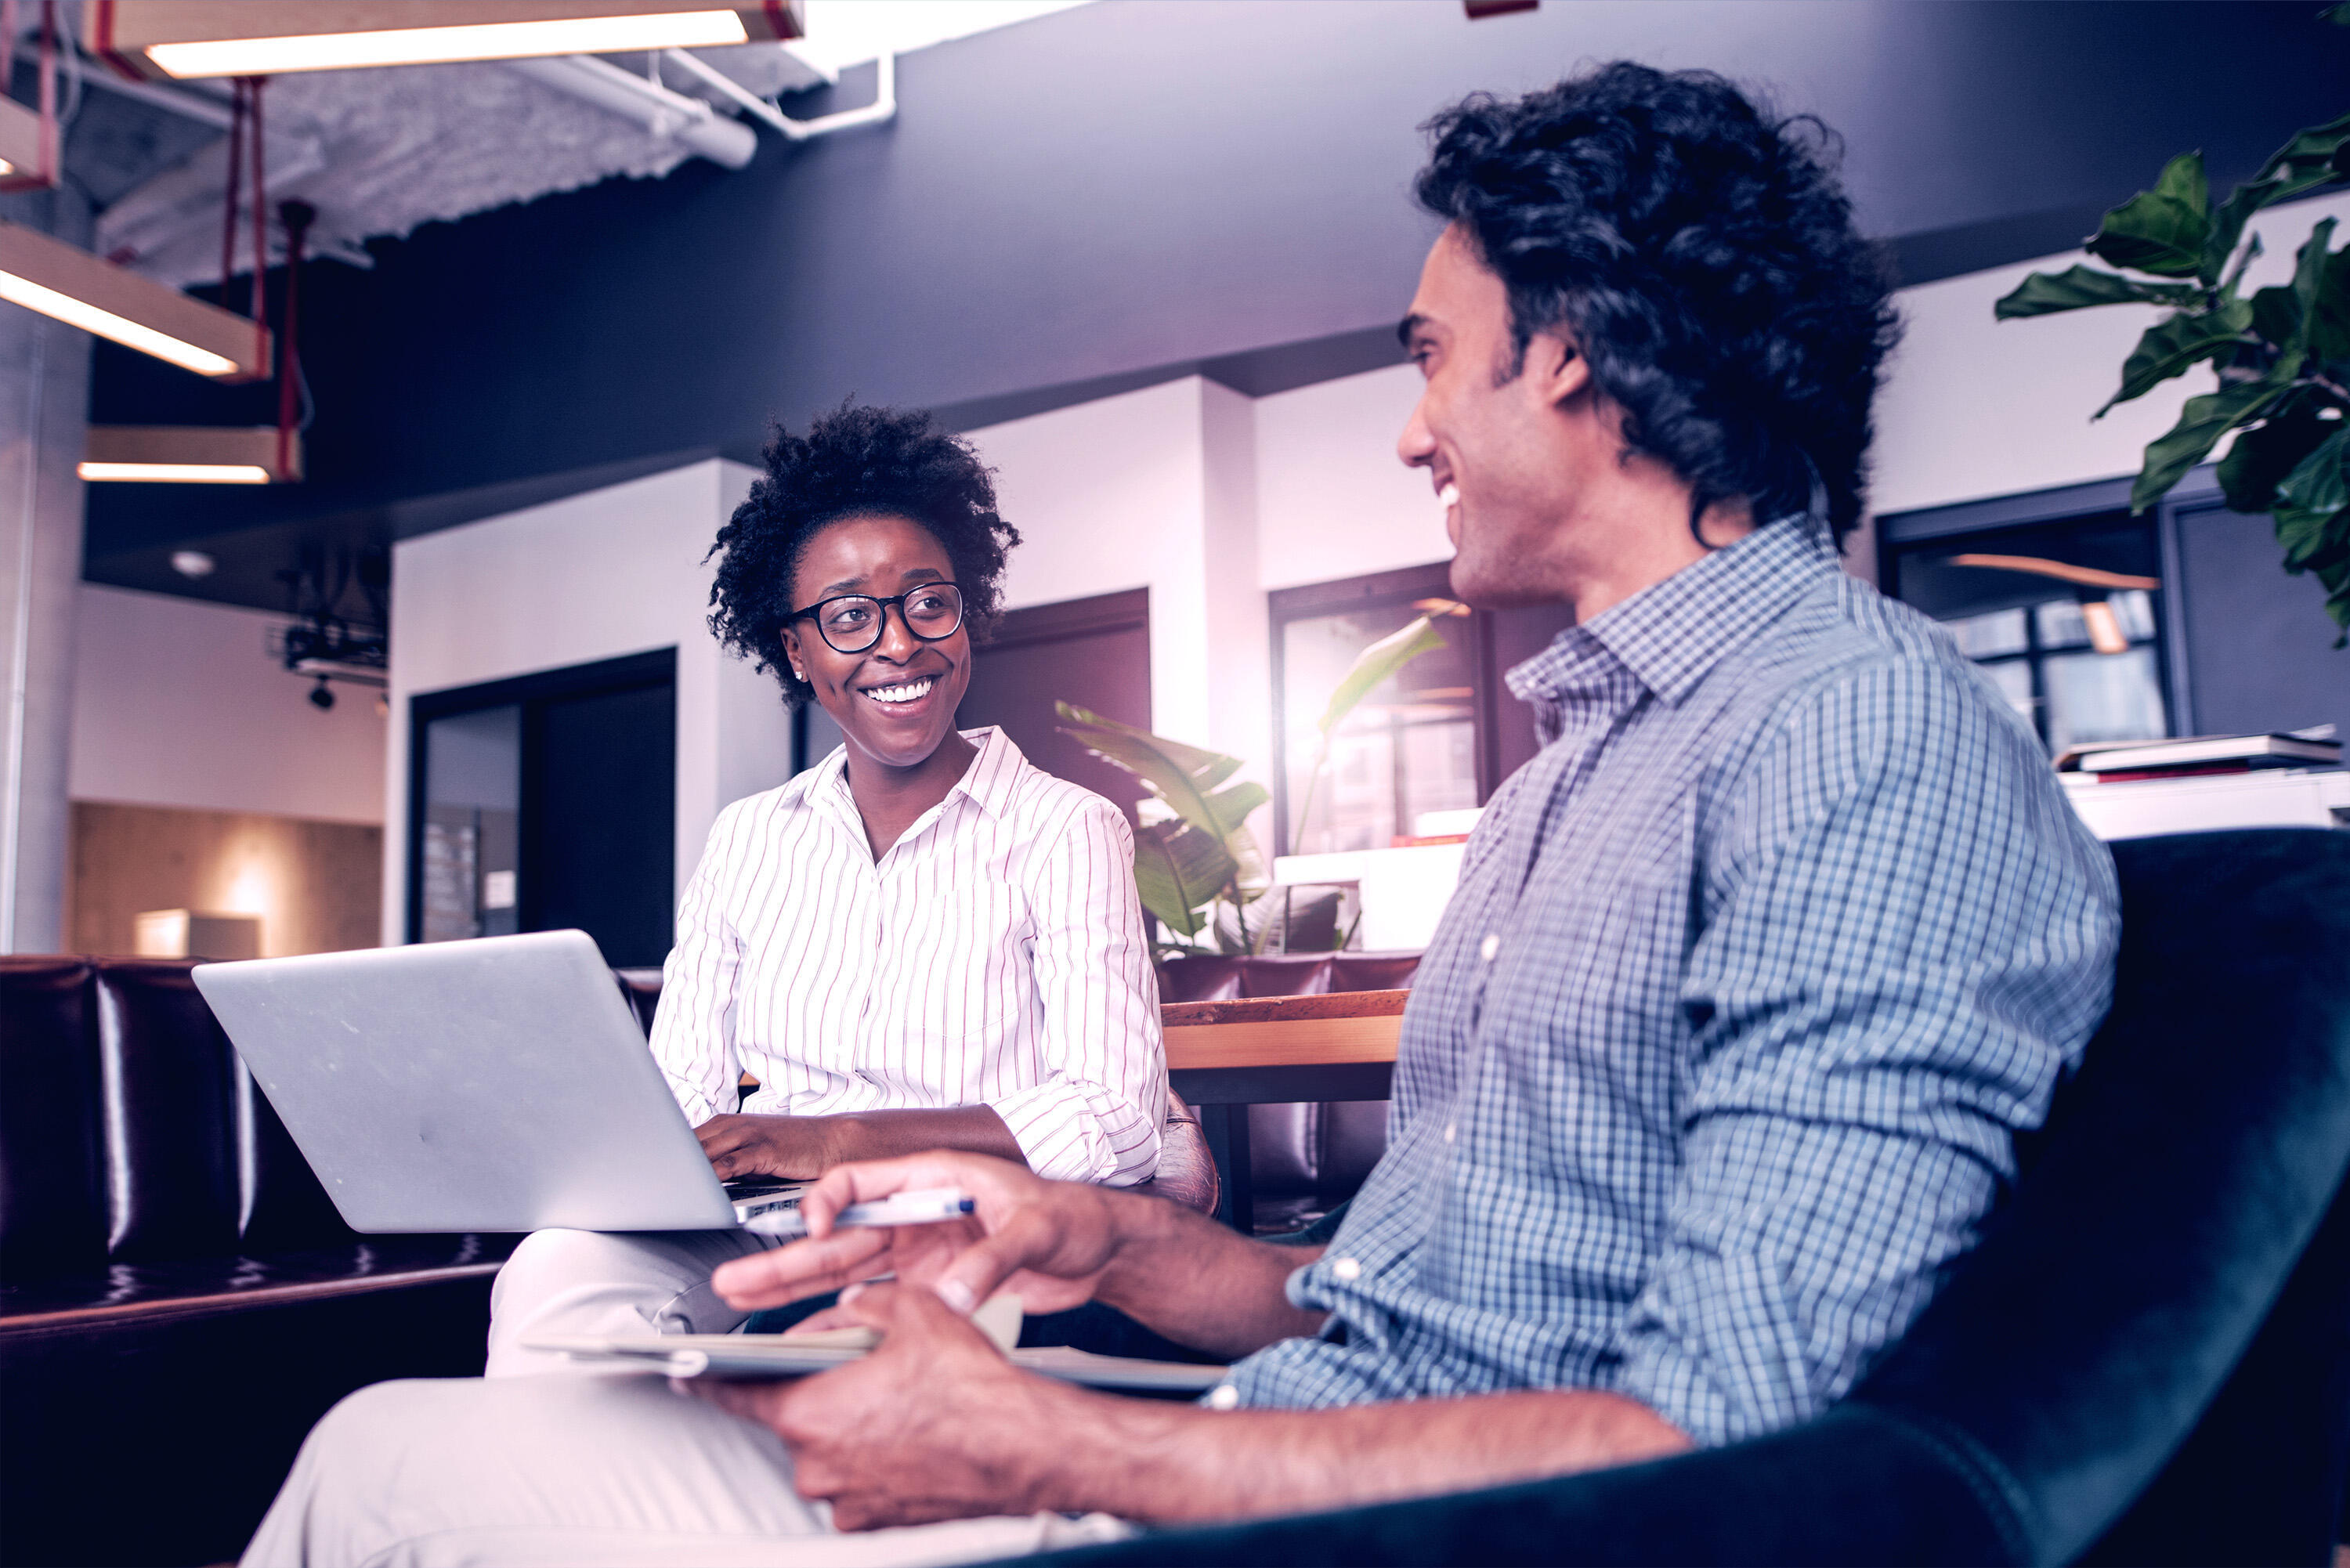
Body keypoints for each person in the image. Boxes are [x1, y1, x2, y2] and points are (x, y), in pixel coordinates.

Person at [243, 63, 2119, 1565]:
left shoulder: (1859, 742)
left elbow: (1723, 1444)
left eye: (1423, 357)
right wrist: (1094, 1244)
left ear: (1566, 356)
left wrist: (1054, 1440)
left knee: (386, 1478)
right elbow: (1389, 1304)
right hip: (1237, 1457)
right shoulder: (1580, 776)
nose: (1410, 430)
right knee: (406, 1435)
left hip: (1282, 1518)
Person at [483, 405, 1169, 1375]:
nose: (898, 644)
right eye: (849, 617)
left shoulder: (1066, 828)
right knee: (557, 1275)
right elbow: (684, 1092)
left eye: (929, 602)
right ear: (798, 652)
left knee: (840, 1333)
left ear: (965, 612)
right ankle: (585, 1514)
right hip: (761, 1224)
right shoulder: (750, 838)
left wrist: (836, 1140)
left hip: (959, 1229)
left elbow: (1116, 1119)